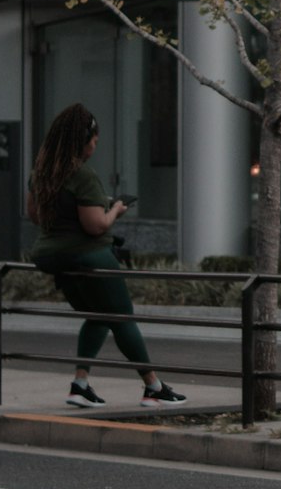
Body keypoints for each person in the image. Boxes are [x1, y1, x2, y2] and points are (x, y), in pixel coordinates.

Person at [26, 104, 183, 406]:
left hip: (50, 256)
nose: (95, 147)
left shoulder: (41, 173)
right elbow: (95, 225)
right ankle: (154, 388)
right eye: (94, 141)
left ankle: (80, 385)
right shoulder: (82, 174)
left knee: (98, 316)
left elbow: (35, 215)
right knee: (122, 317)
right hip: (88, 256)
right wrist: (115, 210)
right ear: (82, 141)